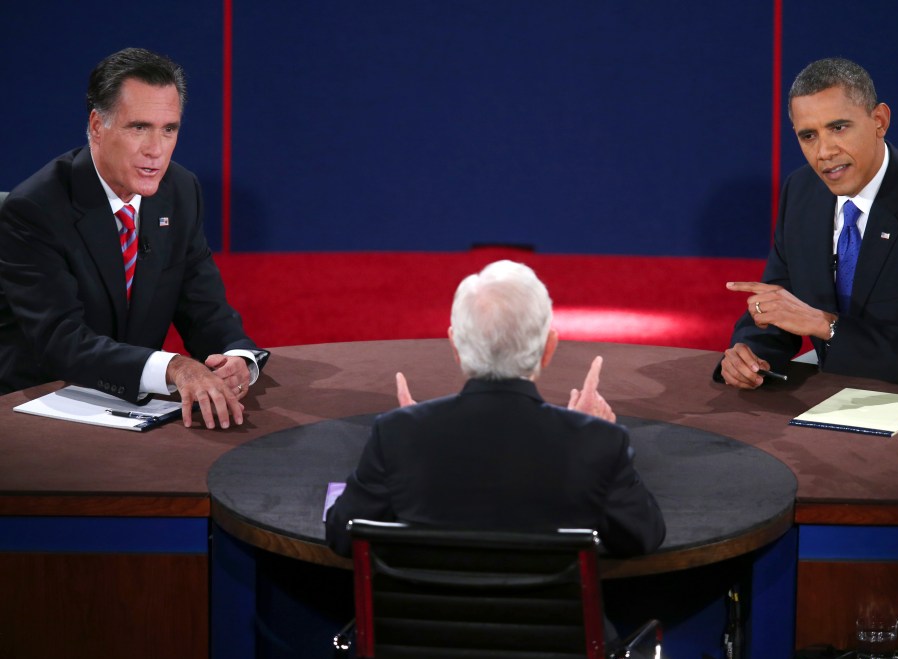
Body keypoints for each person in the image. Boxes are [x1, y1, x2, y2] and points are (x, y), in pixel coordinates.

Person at [0, 48, 268, 428]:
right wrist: (174, 367)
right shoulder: (36, 209)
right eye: (139, 128)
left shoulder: (180, 190)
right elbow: (61, 341)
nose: (155, 150)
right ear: (97, 126)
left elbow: (203, 307)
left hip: (134, 410)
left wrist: (236, 356)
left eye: (169, 129)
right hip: (42, 407)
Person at [326, 260, 665, 558]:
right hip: (547, 614)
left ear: (455, 346)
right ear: (548, 348)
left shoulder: (397, 433)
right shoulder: (596, 442)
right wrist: (593, 437)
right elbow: (643, 535)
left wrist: (411, 440)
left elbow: (342, 535)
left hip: (425, 615)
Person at [718, 57, 898, 404]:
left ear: (879, 121)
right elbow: (780, 300)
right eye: (809, 136)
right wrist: (749, 353)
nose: (824, 152)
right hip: (840, 395)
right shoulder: (801, 192)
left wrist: (828, 327)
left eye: (838, 127)